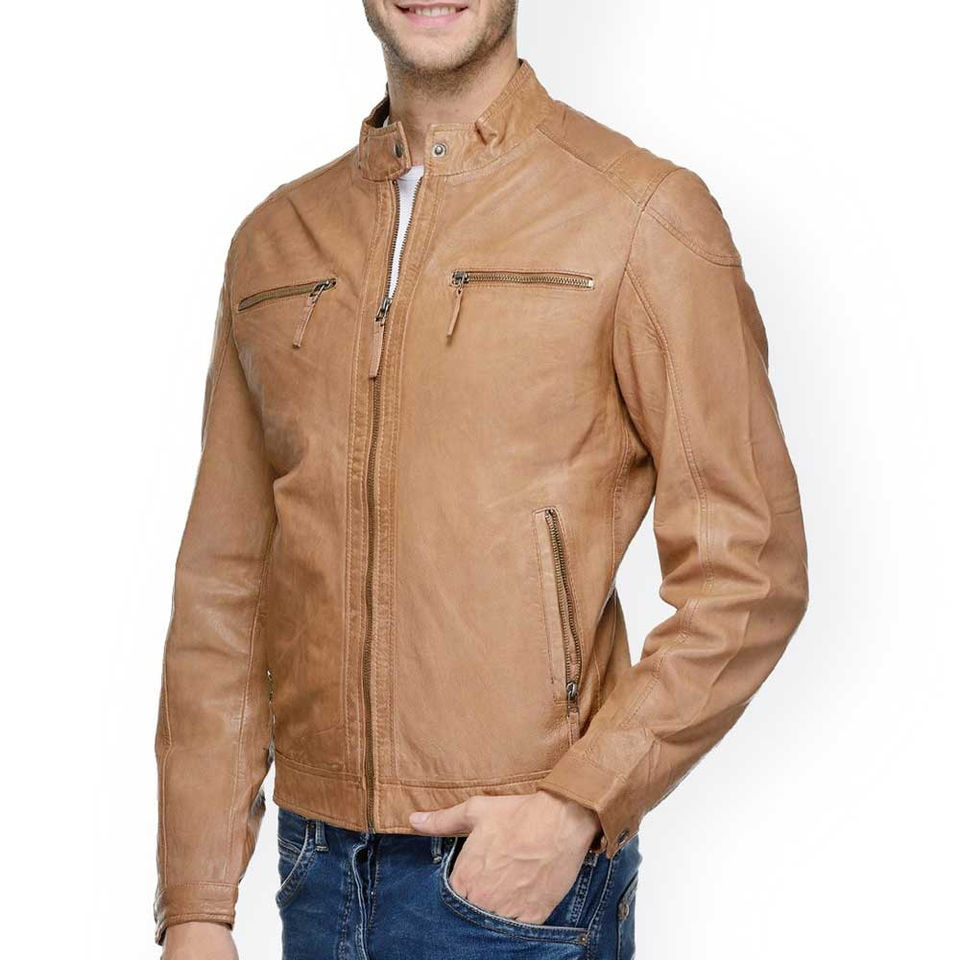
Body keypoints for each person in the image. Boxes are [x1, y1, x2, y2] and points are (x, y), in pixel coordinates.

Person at [154, 2, 809, 957]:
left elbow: (749, 570)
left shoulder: (640, 213)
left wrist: (575, 806)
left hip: (518, 886)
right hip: (314, 871)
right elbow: (226, 583)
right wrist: (198, 900)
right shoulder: (276, 241)